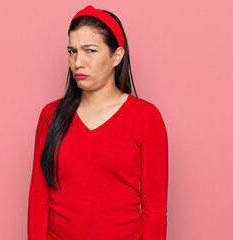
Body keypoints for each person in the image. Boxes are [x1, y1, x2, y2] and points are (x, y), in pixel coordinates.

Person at [28, 5, 168, 240]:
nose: (78, 62)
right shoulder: (50, 115)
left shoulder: (147, 118)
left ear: (117, 56)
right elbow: (39, 198)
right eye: (72, 51)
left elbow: (154, 210)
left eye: (90, 50)